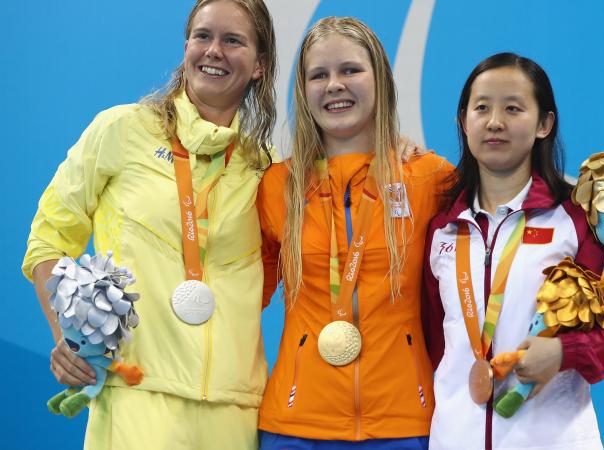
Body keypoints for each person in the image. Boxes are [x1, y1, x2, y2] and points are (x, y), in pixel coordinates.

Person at [22, 1, 278, 448]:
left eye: (232, 40)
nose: (213, 50)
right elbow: (48, 239)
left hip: (235, 410)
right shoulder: (121, 130)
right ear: (186, 47)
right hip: (137, 397)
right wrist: (67, 337)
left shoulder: (262, 168)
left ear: (260, 65)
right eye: (203, 36)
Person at [421, 52, 604, 450]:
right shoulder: (442, 226)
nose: (495, 121)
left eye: (513, 108)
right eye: (481, 108)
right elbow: (435, 343)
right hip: (453, 438)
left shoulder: (577, 220)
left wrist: (563, 352)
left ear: (545, 124)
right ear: (463, 122)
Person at [257, 16, 453, 450]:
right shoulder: (276, 187)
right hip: (294, 424)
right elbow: (238, 291)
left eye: (350, 70)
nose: (334, 85)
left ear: (380, 78)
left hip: (403, 424)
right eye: (319, 75)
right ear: (303, 90)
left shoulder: (429, 179)